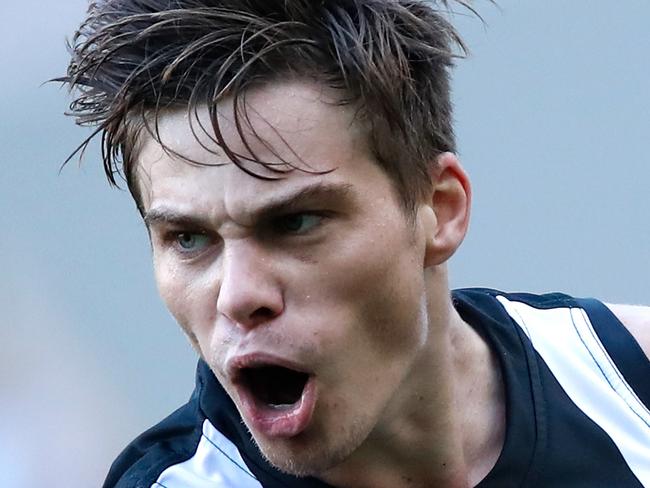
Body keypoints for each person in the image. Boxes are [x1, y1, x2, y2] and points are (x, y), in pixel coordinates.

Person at [59, 1, 650, 486]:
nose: (237, 297)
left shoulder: (627, 383)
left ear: (440, 209)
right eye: (188, 239)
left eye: (294, 223)